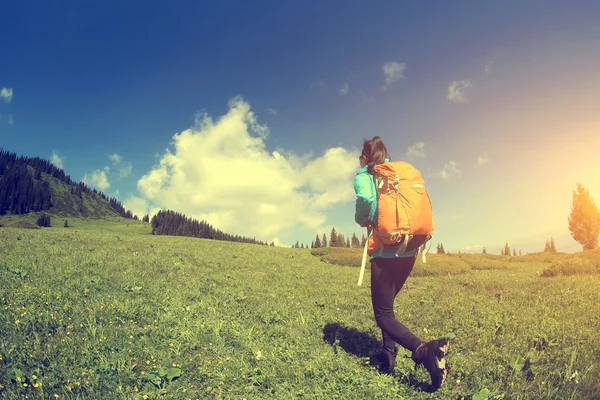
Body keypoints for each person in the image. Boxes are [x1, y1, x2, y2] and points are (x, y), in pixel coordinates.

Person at [354, 136, 449, 390]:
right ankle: (388, 353)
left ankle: (425, 351)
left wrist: (361, 217)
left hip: (385, 251)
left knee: (383, 315)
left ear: (365, 157)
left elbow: (365, 199)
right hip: (409, 251)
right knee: (388, 306)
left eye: (360, 157)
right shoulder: (397, 173)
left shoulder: (367, 175)